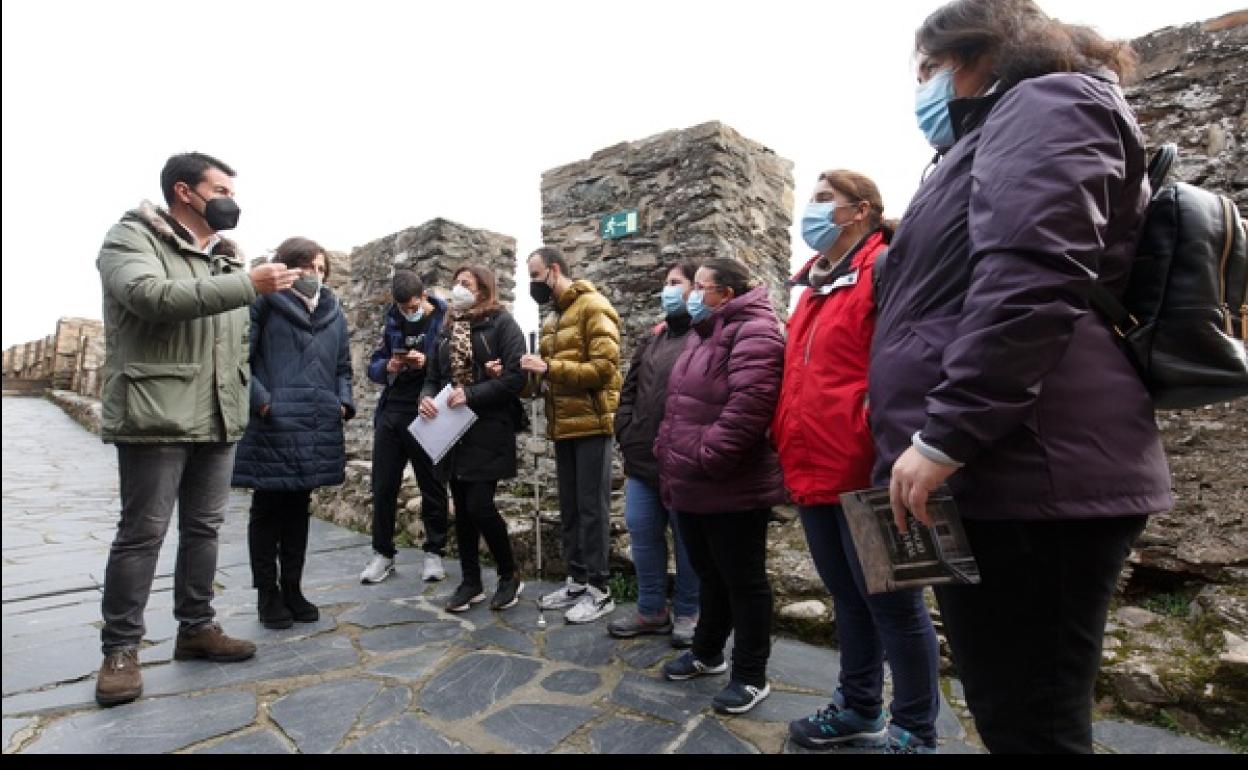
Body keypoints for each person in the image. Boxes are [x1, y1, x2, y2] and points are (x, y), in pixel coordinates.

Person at [872, 0, 1170, 753]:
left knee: (1032, 720)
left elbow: (1034, 275)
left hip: (1030, 471)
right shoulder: (976, 145)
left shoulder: (1050, 99)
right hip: (998, 470)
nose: (923, 89)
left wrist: (947, 433)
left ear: (983, 54)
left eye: (930, 70)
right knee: (1008, 709)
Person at [94, 152, 302, 707]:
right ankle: (120, 649)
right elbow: (151, 298)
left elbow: (232, 342)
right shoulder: (131, 239)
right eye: (219, 188)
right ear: (184, 191)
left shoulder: (225, 260)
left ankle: (196, 627)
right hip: (157, 408)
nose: (229, 198)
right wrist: (249, 287)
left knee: (205, 530)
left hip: (217, 414)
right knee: (143, 533)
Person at [773, 171, 941, 751]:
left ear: (861, 211)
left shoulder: (885, 269)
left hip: (874, 469)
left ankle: (916, 726)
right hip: (815, 467)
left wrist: (886, 436)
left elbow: (911, 360)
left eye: (824, 200)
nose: (811, 211)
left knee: (894, 604)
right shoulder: (814, 288)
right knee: (848, 599)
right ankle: (859, 705)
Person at [654, 258, 786, 716]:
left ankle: (751, 675)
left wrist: (708, 455)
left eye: (700, 287)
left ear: (726, 293)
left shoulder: (755, 330)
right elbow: (681, 404)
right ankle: (708, 652)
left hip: (730, 481)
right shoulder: (704, 330)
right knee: (710, 572)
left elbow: (752, 403)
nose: (691, 295)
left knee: (744, 581)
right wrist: (668, 451)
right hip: (691, 478)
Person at [231, 237, 355, 629]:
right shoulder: (262, 304)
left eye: (321, 269)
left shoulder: (334, 312)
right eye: (307, 267)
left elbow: (343, 368)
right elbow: (239, 358)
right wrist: (263, 401)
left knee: (298, 509)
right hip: (274, 422)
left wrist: (342, 402)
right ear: (285, 268)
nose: (315, 276)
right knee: (268, 509)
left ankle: (293, 589)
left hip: (315, 422)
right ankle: (268, 595)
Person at [522, 246, 622, 624]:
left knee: (592, 509)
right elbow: (545, 378)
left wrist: (548, 367)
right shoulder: (552, 319)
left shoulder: (594, 307)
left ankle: (600, 590)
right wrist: (524, 377)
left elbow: (603, 369)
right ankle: (577, 580)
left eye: (535, 275)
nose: (532, 284)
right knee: (570, 509)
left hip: (594, 424)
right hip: (562, 424)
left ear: (554, 269)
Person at [419, 265, 527, 612]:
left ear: (483, 289)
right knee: (462, 509)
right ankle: (470, 582)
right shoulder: (446, 329)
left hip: (488, 426)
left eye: (466, 283)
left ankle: (509, 574)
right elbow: (434, 376)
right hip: (451, 431)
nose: (458, 288)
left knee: (480, 505)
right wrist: (426, 396)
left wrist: (473, 394)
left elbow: (516, 377)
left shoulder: (501, 324)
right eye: (456, 282)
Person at [607, 261, 701, 647]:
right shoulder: (653, 339)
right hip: (642, 459)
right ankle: (651, 610)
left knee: (687, 541)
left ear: (696, 289)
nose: (666, 289)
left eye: (675, 283)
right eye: (665, 282)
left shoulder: (707, 337)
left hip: (683, 462)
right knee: (643, 532)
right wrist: (625, 431)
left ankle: (688, 613)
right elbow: (628, 390)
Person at [361, 270, 450, 585]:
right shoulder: (392, 322)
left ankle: (434, 553)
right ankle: (382, 554)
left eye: (413, 306)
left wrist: (427, 362)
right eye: (403, 308)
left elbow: (456, 364)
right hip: (392, 412)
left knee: (432, 485)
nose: (408, 312)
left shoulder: (445, 320)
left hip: (427, 412)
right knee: (383, 486)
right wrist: (388, 366)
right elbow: (372, 365)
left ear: (424, 297)